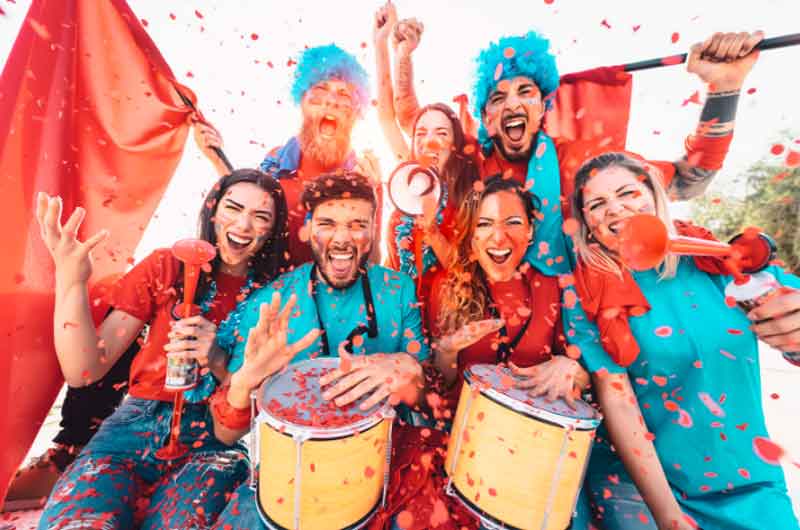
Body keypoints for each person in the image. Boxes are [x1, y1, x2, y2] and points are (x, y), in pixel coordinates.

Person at [34, 168, 289, 530]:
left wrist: (216, 357)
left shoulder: (276, 297)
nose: (244, 224)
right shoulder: (166, 265)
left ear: (272, 230)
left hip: (213, 442)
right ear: (213, 211)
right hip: (129, 429)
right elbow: (84, 368)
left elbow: (262, 401)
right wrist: (71, 278)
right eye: (233, 208)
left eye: (260, 216)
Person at [569, 151, 800, 530]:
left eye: (627, 193)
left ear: (654, 196)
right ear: (589, 226)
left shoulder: (717, 263)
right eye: (597, 204)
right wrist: (669, 517)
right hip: (645, 496)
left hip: (754, 484)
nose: (614, 209)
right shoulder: (587, 295)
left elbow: (783, 306)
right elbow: (619, 405)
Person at [367, 176, 591, 530]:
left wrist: (571, 367)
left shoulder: (556, 287)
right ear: (472, 235)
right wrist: (448, 352)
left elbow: (589, 377)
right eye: (485, 225)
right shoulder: (444, 286)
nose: (498, 237)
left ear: (531, 230)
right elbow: (436, 392)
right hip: (458, 448)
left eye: (513, 223)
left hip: (535, 453)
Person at [210, 171, 431, 529]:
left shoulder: (399, 289)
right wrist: (243, 383)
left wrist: (410, 369)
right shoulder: (270, 302)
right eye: (327, 223)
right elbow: (226, 434)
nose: (343, 239)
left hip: (379, 462)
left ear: (374, 228)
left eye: (358, 223)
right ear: (307, 229)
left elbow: (422, 400)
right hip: (291, 477)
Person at [194, 44, 382, 268]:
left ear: (355, 112)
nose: (331, 101)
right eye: (321, 90)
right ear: (302, 102)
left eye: (343, 95)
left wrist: (369, 196)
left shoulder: (364, 176)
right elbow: (250, 212)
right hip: (270, 294)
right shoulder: (277, 161)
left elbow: (372, 263)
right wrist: (216, 157)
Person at [373, 3, 479, 283]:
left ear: (456, 144)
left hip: (437, 318)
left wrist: (432, 233)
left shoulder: (468, 195)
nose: (429, 141)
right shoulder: (406, 175)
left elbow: (464, 274)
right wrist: (386, 45)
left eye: (441, 133)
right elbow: (387, 114)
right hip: (392, 313)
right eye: (421, 133)